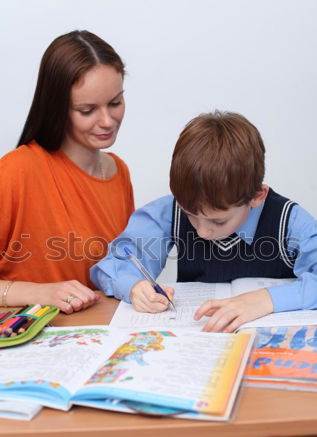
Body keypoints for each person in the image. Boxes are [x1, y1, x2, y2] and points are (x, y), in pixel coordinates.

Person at [91, 111, 317, 332]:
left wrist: (264, 300)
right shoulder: (168, 212)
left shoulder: (291, 222)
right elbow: (113, 266)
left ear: (257, 197)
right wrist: (134, 286)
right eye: (190, 215)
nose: (202, 232)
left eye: (218, 222)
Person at [0, 30, 134, 313]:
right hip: (33, 341)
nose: (107, 121)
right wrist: (43, 292)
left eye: (115, 103)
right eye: (87, 110)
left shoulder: (118, 172)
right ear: (57, 108)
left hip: (97, 338)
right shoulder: (16, 172)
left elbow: (116, 271)